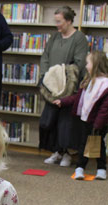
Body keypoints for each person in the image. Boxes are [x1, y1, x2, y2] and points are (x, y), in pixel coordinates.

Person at [53, 51, 108, 180]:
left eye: (88, 63)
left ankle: (101, 169)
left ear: (95, 64)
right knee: (83, 144)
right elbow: (77, 98)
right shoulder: (88, 81)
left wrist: (97, 126)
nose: (85, 66)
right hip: (86, 120)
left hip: (99, 123)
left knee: (99, 145)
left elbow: (104, 109)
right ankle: (80, 168)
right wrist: (63, 101)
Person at [39, 5, 88, 167]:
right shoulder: (54, 37)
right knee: (51, 120)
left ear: (68, 21)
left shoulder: (79, 38)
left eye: (59, 22)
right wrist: (47, 76)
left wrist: (62, 77)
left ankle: (67, 153)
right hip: (51, 86)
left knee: (67, 122)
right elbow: (45, 57)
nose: (57, 25)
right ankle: (56, 151)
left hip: (69, 87)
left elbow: (79, 63)